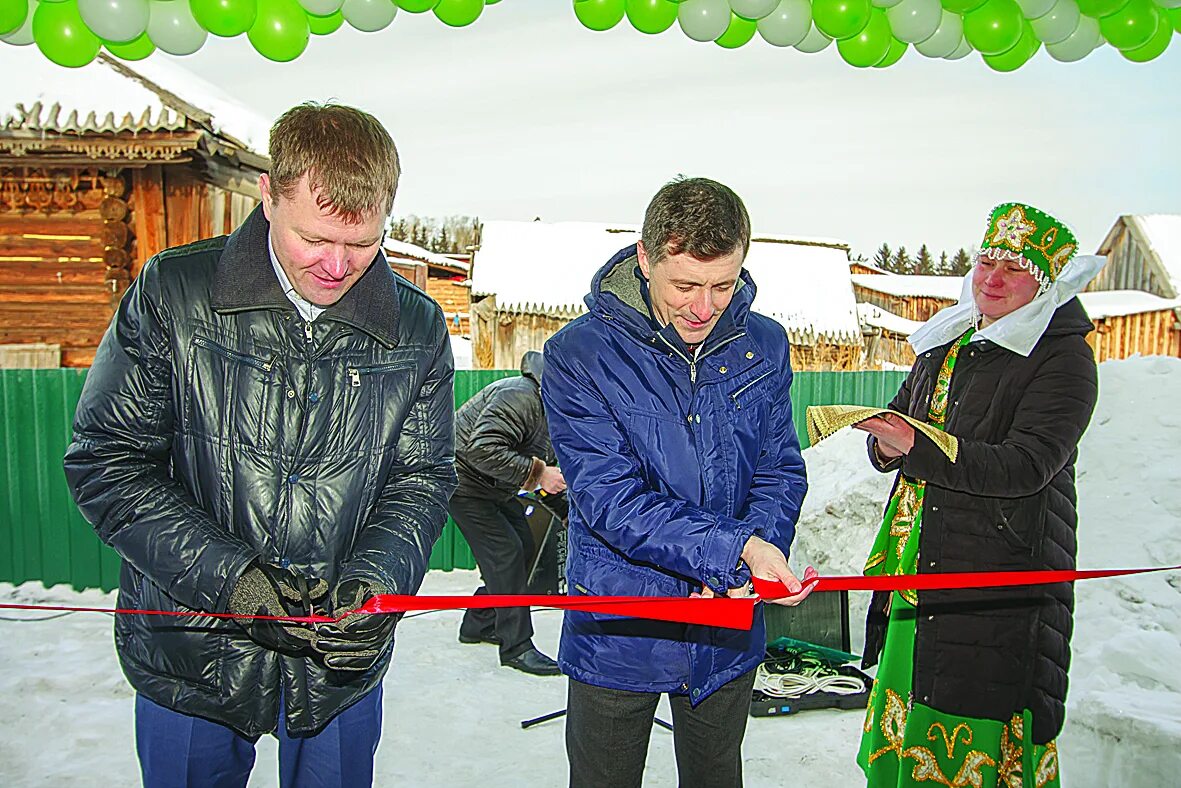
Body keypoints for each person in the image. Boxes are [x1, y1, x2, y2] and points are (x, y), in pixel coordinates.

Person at [63, 102, 456, 787]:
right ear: (268, 197)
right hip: (190, 649)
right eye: (314, 238)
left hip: (337, 668)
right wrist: (232, 580)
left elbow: (420, 481)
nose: (337, 265)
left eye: (361, 243)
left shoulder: (417, 327)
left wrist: (378, 583)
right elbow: (107, 463)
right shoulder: (173, 293)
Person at [542, 177, 812, 788]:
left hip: (726, 636)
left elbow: (779, 467)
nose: (702, 307)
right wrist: (733, 550)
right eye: (685, 285)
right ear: (644, 258)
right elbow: (611, 501)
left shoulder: (761, 343)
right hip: (619, 631)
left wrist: (758, 559)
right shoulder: (580, 355)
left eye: (722, 285)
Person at [853, 203, 1103, 788]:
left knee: (973, 711)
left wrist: (915, 447)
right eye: (987, 260)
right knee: (911, 693)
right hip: (921, 557)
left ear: (1045, 282)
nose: (992, 278)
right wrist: (888, 447)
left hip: (997, 572)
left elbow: (1027, 466)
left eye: (1014, 268)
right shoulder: (948, 338)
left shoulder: (1062, 358)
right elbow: (905, 422)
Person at [450, 349, 565, 675]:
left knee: (523, 549)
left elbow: (547, 474)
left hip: (495, 486)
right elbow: (481, 449)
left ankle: (477, 623)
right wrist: (540, 474)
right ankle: (517, 647)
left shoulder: (552, 412)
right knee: (507, 554)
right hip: (464, 483)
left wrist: (566, 513)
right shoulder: (521, 396)